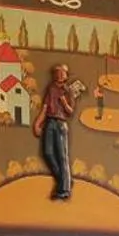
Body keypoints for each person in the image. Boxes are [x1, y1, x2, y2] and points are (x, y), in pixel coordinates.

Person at [33, 64, 86, 200]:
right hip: (50, 122)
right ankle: (65, 180)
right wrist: (38, 124)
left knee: (62, 156)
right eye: (58, 72)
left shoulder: (69, 91)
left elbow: (70, 112)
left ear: (66, 75)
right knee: (47, 152)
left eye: (63, 73)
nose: (60, 75)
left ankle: (64, 190)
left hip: (61, 123)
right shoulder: (51, 89)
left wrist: (64, 102)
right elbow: (45, 108)